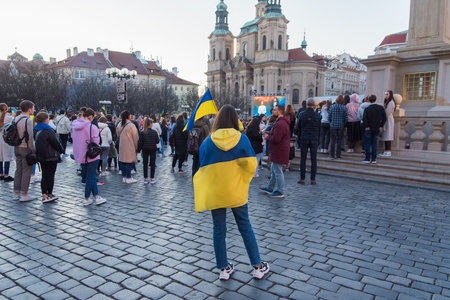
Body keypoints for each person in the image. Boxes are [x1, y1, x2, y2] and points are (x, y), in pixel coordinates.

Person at [193, 105, 269, 281]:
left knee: (218, 229)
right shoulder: (242, 140)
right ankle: (257, 267)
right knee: (245, 227)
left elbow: (202, 167)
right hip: (236, 192)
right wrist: (240, 180)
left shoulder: (208, 142)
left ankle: (223, 268)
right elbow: (251, 166)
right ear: (235, 120)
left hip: (216, 192)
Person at [72, 108, 107, 206]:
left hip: (80, 154)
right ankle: (88, 197)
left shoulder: (75, 125)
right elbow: (96, 142)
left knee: (89, 176)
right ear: (91, 117)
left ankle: (95, 196)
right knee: (91, 177)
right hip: (91, 154)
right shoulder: (92, 127)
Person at [260, 105, 290, 198]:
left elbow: (276, 139)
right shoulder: (281, 122)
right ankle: (270, 187)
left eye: (275, 110)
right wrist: (269, 133)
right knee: (274, 170)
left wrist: (267, 137)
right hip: (277, 150)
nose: (273, 111)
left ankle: (280, 191)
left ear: (280, 111)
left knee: (277, 171)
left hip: (279, 150)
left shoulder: (281, 123)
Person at [34, 112, 64, 203]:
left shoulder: (36, 129)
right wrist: (62, 150)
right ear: (46, 120)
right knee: (50, 175)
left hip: (41, 156)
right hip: (51, 156)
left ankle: (44, 194)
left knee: (44, 175)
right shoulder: (48, 130)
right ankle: (50, 193)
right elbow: (56, 143)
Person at [13, 100, 35, 202]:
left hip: (16, 146)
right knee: (26, 171)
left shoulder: (16, 118)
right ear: (29, 109)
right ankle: (24, 194)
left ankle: (16, 192)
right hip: (25, 147)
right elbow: (29, 137)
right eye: (33, 108)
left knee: (18, 170)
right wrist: (32, 149)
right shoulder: (28, 120)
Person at [296, 98, 321, 185]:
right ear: (314, 105)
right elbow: (319, 127)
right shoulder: (317, 115)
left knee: (303, 159)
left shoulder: (302, 114)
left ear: (306, 104)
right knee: (313, 159)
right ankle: (313, 179)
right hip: (314, 138)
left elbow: (298, 127)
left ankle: (302, 178)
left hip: (304, 137)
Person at [362, 95, 387, 164]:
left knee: (367, 143)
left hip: (369, 128)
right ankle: (373, 159)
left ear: (369, 100)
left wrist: (366, 126)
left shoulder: (367, 108)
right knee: (374, 144)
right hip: (376, 128)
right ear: (375, 100)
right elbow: (384, 118)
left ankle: (367, 158)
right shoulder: (380, 108)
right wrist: (381, 125)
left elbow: (364, 118)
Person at [116, 111, 139, 184]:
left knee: (122, 160)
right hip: (130, 144)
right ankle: (129, 177)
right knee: (129, 161)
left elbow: (118, 134)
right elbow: (135, 137)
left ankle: (124, 176)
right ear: (128, 116)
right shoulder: (131, 125)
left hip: (122, 144)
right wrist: (136, 146)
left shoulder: (119, 124)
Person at [138, 117, 159, 184]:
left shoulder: (142, 132)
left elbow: (140, 142)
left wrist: (138, 149)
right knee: (152, 164)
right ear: (150, 124)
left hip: (145, 149)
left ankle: (145, 179)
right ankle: (152, 178)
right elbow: (157, 141)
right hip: (152, 149)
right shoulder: (154, 132)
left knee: (145, 164)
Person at [0, 103, 14, 182]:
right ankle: (6, 175)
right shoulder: (8, 117)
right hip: (5, 138)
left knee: (0, 157)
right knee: (7, 157)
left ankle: (1, 174)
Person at [379, 90, 396, 157]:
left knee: (388, 136)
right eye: (385, 94)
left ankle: (388, 151)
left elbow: (387, 112)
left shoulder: (391, 102)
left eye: (387, 94)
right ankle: (386, 151)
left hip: (388, 120)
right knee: (386, 136)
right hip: (387, 120)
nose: (386, 95)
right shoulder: (388, 102)